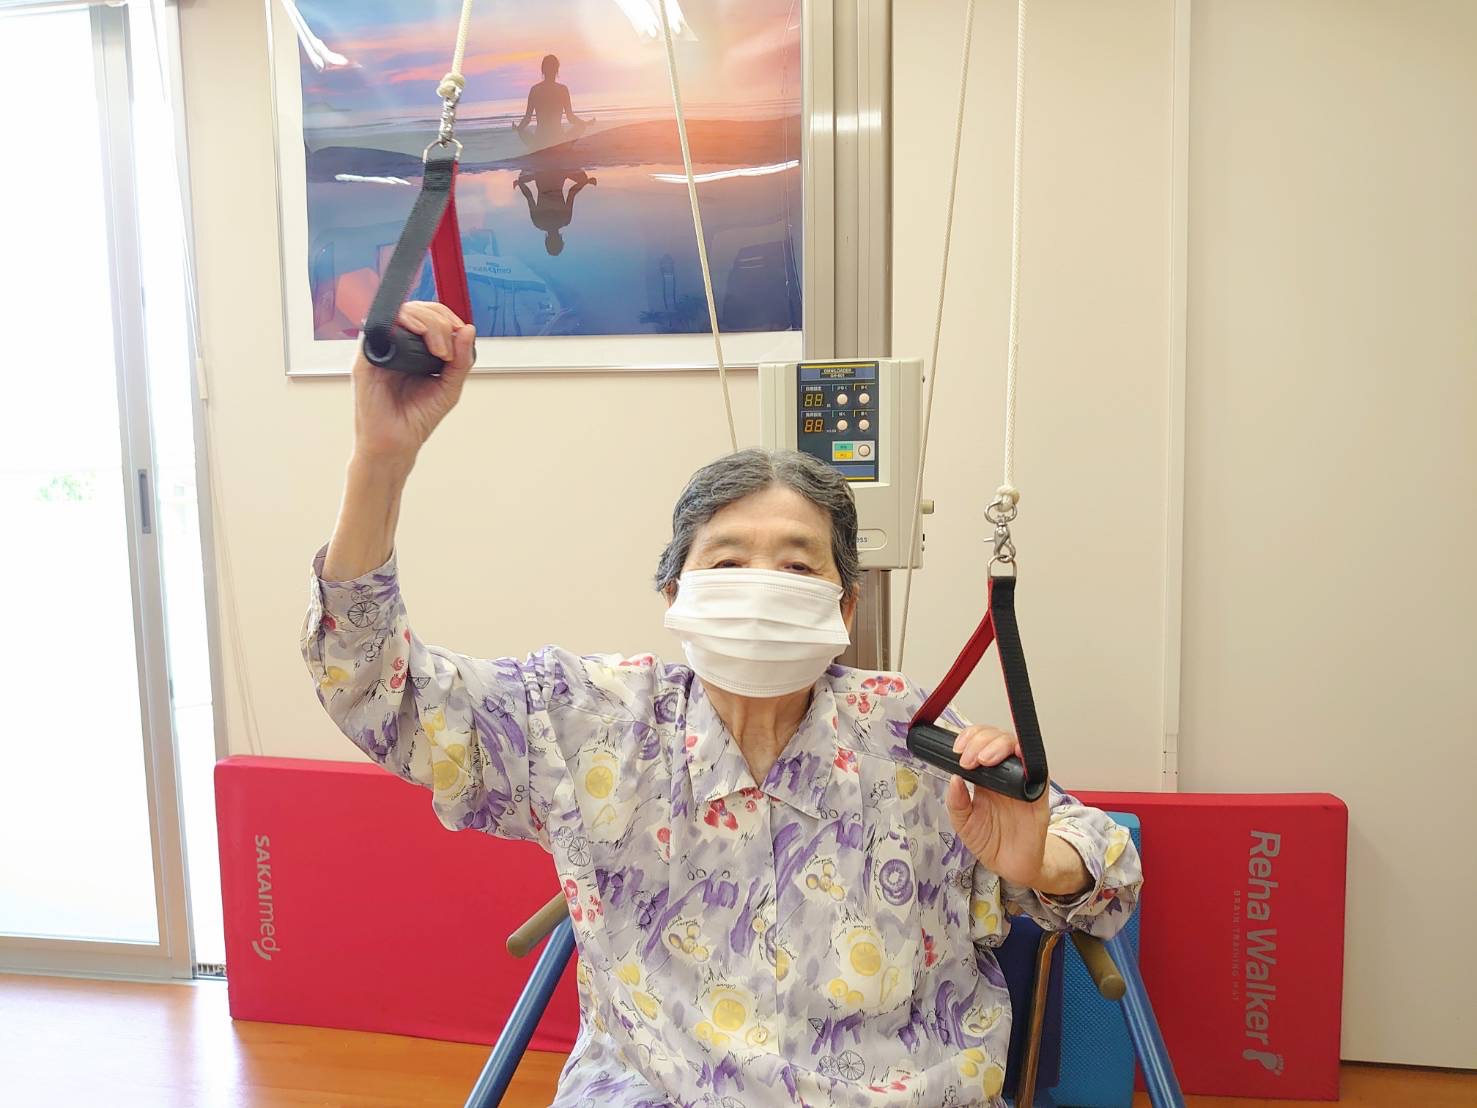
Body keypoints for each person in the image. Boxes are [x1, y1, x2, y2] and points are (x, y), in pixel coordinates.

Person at [302, 302, 1143, 1108]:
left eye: (798, 565)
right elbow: (376, 690)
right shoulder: (588, 724)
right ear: (676, 592)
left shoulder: (906, 733)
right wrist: (380, 461)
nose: (761, 587)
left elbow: (1109, 871)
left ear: (845, 607)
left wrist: (1038, 864)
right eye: (728, 563)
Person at [515, 165, 596, 256]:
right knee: (521, 179)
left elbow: (571, 192)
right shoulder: (538, 223)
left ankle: (562, 169)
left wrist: (585, 182)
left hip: (559, 174)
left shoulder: (565, 220)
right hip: (541, 175)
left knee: (583, 178)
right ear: (547, 241)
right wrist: (520, 184)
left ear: (560, 240)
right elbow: (529, 196)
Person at [515, 53, 593, 147]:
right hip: (558, 140)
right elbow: (570, 117)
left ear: (542, 70)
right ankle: (565, 147)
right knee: (581, 126)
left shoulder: (535, 90)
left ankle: (537, 146)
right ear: (557, 70)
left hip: (540, 141)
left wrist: (518, 128)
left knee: (522, 131)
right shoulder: (562, 89)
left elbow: (527, 118)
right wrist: (585, 123)